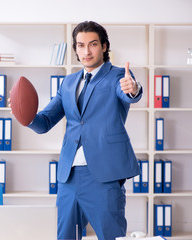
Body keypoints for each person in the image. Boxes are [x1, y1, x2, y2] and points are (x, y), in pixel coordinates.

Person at [21, 21, 142, 240]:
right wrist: (24, 114)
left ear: (104, 47)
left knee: (111, 236)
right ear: (75, 49)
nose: (86, 51)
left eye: (93, 44)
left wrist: (133, 89)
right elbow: (45, 122)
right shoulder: (68, 83)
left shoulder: (117, 77)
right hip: (68, 177)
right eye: (81, 45)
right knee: (65, 236)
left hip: (104, 176)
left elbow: (128, 93)